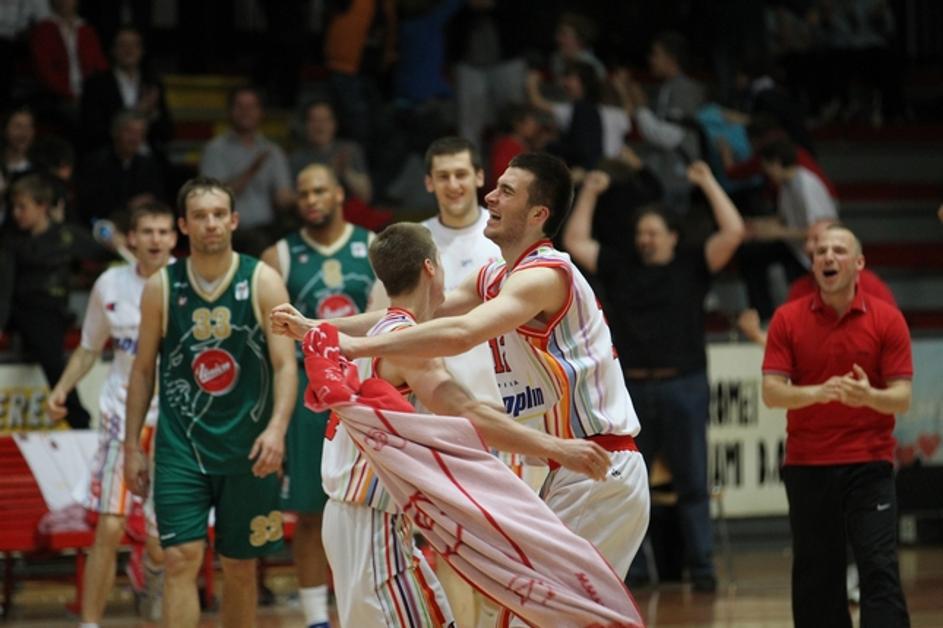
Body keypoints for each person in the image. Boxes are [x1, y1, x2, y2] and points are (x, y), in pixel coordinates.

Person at [277, 152, 651, 584]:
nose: (490, 196)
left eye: (506, 191)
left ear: (538, 214)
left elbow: (461, 333)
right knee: (543, 605)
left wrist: (358, 347)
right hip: (566, 463)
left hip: (599, 461)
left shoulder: (544, 275)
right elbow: (419, 313)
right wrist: (317, 327)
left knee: (540, 606)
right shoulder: (498, 275)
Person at [320, 222, 611, 627]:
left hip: (361, 517)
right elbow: (466, 412)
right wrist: (556, 447)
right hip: (370, 521)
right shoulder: (407, 345)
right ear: (431, 268)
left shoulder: (375, 333)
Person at [563, 161, 745, 592]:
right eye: (641, 232)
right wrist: (590, 191)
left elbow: (734, 232)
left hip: (684, 383)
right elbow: (575, 242)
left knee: (693, 481)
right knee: (628, 483)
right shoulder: (621, 264)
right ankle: (635, 570)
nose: (645, 238)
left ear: (672, 236)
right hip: (630, 388)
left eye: (653, 232)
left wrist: (708, 181)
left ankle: (703, 568)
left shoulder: (692, 263)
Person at [123, 176, 297, 628]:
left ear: (234, 220)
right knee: (180, 557)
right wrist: (131, 446)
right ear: (184, 225)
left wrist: (277, 430)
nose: (211, 224)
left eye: (219, 214)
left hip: (249, 448)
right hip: (181, 446)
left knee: (240, 566)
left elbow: (285, 365)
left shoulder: (263, 281)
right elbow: (142, 371)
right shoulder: (162, 286)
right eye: (200, 216)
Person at [761, 224, 912, 627]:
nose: (828, 256)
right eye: (821, 252)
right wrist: (820, 392)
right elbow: (772, 393)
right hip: (808, 463)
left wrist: (869, 397)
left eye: (839, 250)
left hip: (870, 462)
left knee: (879, 567)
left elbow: (901, 397)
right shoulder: (787, 318)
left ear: (859, 263)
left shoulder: (887, 319)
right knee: (817, 575)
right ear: (813, 265)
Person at [46, 202, 176, 626]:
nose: (155, 239)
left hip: (173, 424)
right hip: (122, 420)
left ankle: (148, 569)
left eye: (163, 231)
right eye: (147, 231)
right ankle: (90, 623)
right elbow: (88, 348)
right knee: (109, 525)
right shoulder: (109, 284)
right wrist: (62, 388)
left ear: (175, 238)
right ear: (131, 239)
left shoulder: (187, 282)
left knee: (162, 541)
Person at [260, 163, 376, 628]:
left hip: (364, 395)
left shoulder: (372, 247)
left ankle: (365, 607)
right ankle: (314, 619)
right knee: (310, 513)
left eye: (320, 191)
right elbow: (272, 342)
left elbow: (389, 320)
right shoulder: (279, 255)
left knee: (368, 509)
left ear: (339, 194)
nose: (311, 200)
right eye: (304, 193)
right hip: (309, 402)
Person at [0, 173, 110, 428]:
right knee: (45, 341)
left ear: (42, 207)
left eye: (23, 207)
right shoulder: (11, 240)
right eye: (14, 207)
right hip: (18, 310)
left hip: (50, 311)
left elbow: (103, 252)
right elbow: (4, 286)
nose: (16, 213)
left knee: (51, 354)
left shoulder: (66, 235)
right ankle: (79, 420)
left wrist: (113, 241)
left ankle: (79, 420)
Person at [740, 137, 840, 320]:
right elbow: (783, 218)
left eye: (767, 166)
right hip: (794, 245)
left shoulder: (806, 184)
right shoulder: (786, 186)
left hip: (811, 250)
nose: (766, 172)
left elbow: (820, 230)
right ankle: (762, 315)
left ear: (776, 163)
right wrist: (757, 226)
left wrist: (778, 233)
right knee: (751, 255)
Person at [200, 86, 294, 256]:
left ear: (261, 112)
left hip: (268, 227)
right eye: (240, 106)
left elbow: (283, 197)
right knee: (258, 241)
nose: (246, 112)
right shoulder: (215, 149)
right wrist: (251, 170)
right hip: (229, 229)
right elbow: (213, 198)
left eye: (252, 107)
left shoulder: (272, 151)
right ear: (229, 111)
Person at [619, 31, 705, 213]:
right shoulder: (667, 87)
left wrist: (640, 107)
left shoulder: (683, 89)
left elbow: (671, 136)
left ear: (671, 59)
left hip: (675, 179)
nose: (651, 60)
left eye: (656, 54)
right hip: (666, 176)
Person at [80, 25, 173, 156]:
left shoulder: (152, 83)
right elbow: (91, 130)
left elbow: (167, 133)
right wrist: (137, 112)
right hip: (110, 155)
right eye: (123, 45)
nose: (129, 50)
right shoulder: (97, 84)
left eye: (134, 45)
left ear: (142, 50)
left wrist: (153, 114)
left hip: (147, 155)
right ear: (113, 50)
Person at [288, 99, 372, 203]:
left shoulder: (350, 150)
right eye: (314, 120)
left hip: (348, 210)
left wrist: (346, 172)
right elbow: (290, 199)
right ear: (305, 125)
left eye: (325, 120)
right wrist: (330, 173)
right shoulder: (296, 159)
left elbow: (366, 196)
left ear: (334, 124)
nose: (320, 126)